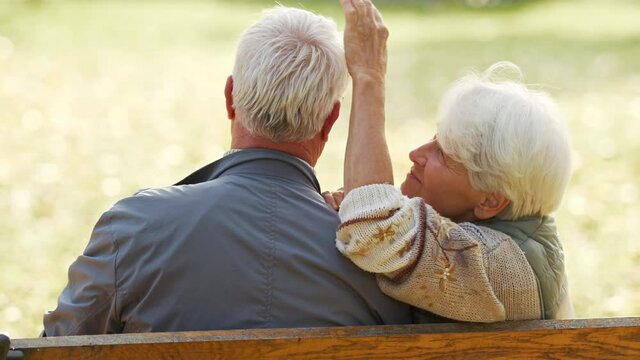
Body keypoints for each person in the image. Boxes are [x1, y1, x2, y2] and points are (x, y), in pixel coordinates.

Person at [43, 6, 413, 336]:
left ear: (230, 97)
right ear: (330, 121)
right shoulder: (380, 259)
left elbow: (59, 346)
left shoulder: (133, 228)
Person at [328, 0, 574, 322]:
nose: (416, 154)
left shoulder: (504, 264)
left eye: (443, 155)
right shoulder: (512, 238)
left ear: (491, 200)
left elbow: (374, 228)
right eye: (434, 139)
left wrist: (369, 76)